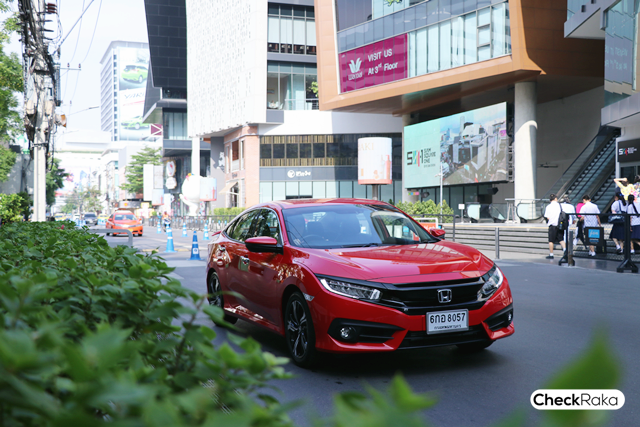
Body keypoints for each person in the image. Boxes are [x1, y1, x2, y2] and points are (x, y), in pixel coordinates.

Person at [543, 194, 565, 259]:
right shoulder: (560, 205)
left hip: (552, 225)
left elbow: (547, 216)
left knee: (551, 241)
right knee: (561, 239)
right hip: (559, 224)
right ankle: (565, 251)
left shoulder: (548, 207)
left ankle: (551, 254)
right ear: (555, 199)